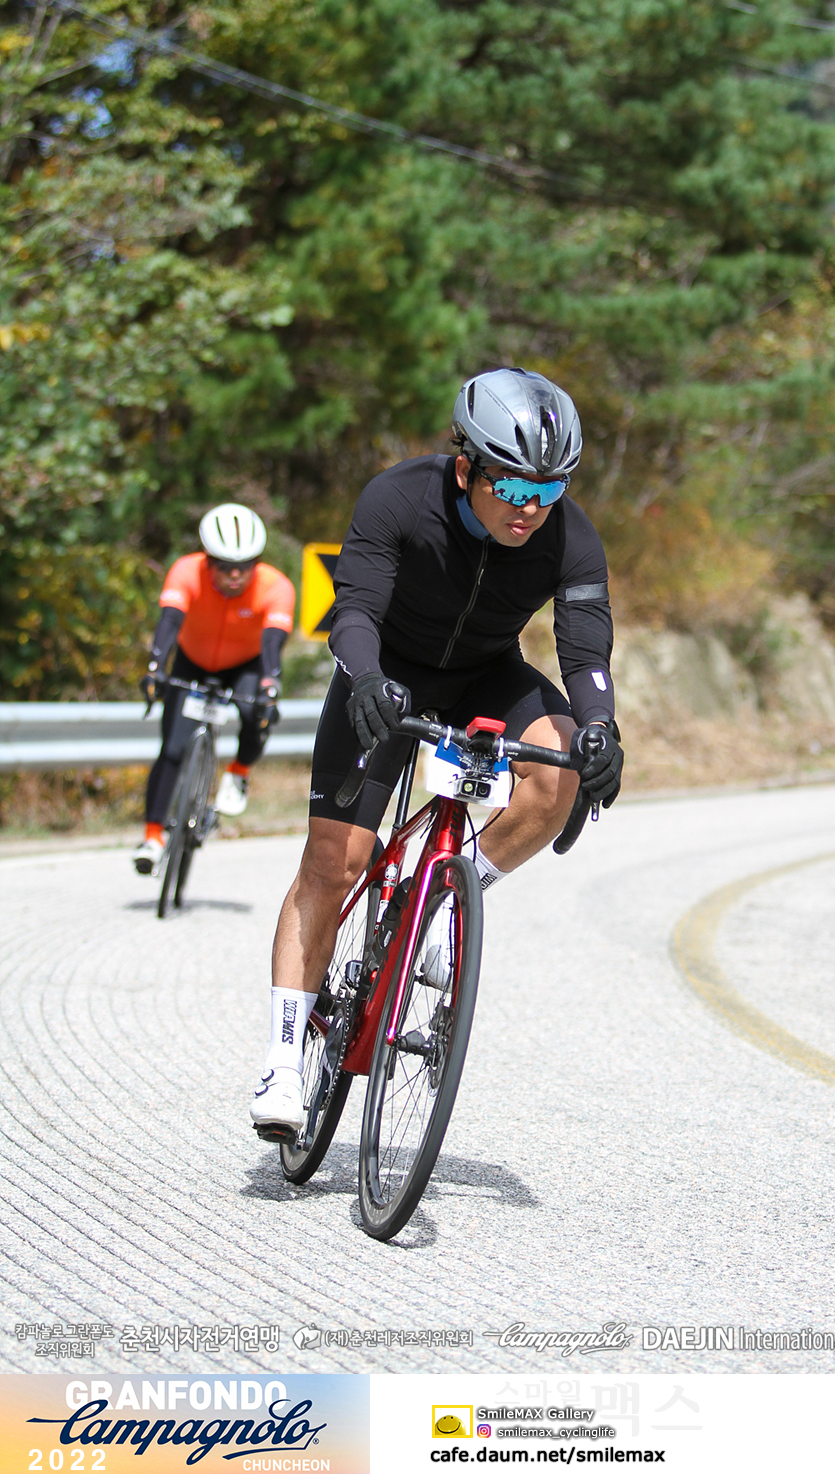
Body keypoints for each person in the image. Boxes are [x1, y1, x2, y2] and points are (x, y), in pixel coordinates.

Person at [249, 368, 625, 1139]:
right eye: (512, 487)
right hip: (386, 674)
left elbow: (585, 654)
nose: (531, 509)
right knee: (335, 865)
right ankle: (282, 1063)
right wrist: (367, 680)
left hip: (485, 674)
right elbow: (354, 611)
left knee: (558, 768)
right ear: (466, 469)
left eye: (549, 490)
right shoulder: (398, 498)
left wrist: (600, 729)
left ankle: (447, 896)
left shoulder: (570, 536)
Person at [133, 504, 295, 874]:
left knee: (257, 711)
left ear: (258, 562)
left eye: (246, 565)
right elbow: (169, 623)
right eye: (223, 566)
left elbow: (272, 646)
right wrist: (155, 668)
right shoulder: (186, 571)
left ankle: (239, 770)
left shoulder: (276, 587)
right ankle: (152, 837)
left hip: (245, 665)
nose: (235, 574)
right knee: (172, 749)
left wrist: (270, 685)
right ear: (207, 561)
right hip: (192, 659)